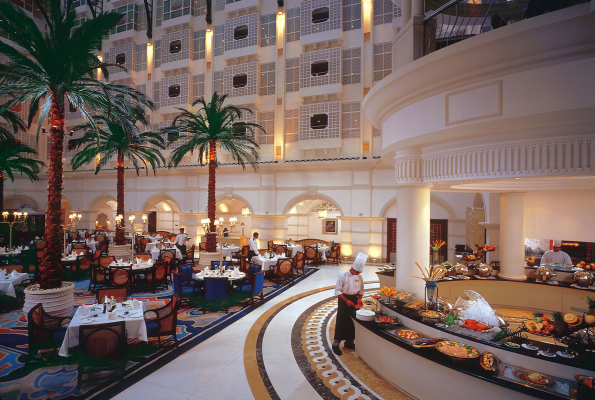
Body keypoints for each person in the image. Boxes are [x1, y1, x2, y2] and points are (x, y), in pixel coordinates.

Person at [332, 252, 368, 356]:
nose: (358, 274)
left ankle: (349, 342)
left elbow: (361, 290)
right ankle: (336, 343)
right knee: (341, 320)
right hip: (344, 299)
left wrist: (359, 299)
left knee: (353, 321)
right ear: (352, 268)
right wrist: (346, 300)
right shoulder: (343, 276)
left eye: (359, 273)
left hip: (354, 299)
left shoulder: (359, 277)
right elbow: (337, 291)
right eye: (356, 272)